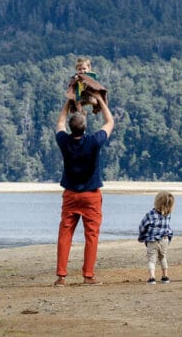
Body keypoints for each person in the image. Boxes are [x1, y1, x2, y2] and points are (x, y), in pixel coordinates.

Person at [53, 92, 114, 287]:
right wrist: (101, 100)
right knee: (92, 235)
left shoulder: (65, 141)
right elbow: (110, 121)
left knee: (65, 234)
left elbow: (60, 122)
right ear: (86, 127)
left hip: (70, 194)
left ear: (72, 128)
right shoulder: (94, 141)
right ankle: (88, 275)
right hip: (91, 195)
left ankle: (61, 276)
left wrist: (68, 101)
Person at [137, 191, 175, 285]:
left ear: (157, 202)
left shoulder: (150, 214)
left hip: (152, 240)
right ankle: (165, 277)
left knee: (151, 259)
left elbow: (142, 226)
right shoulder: (168, 215)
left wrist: (142, 237)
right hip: (164, 240)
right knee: (163, 257)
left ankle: (152, 278)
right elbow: (168, 228)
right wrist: (169, 237)